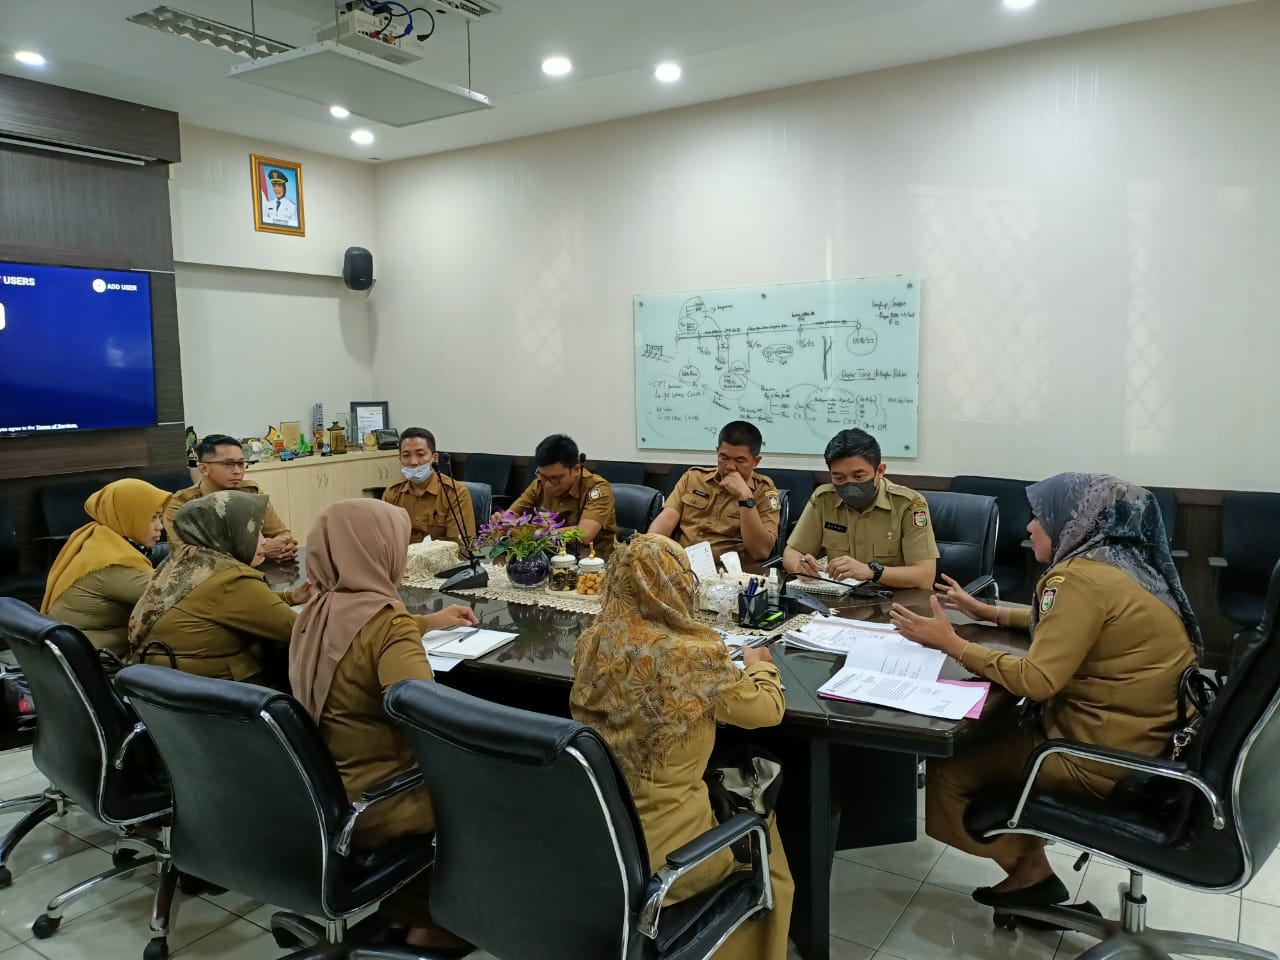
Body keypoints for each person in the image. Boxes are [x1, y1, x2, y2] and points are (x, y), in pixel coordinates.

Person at [889, 473, 1199, 912]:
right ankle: (1031, 873)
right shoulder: (1126, 567)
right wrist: (989, 613)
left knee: (952, 769)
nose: (1030, 527)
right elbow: (1071, 625)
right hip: (1152, 745)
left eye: (1040, 517)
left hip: (1097, 757)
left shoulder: (1076, 579)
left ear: (1075, 521)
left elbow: (1037, 680)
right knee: (997, 731)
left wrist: (950, 643)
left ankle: (1030, 873)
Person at [569, 534, 794, 960]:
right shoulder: (693, 656)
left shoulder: (593, 643)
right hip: (670, 855)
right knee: (764, 835)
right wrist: (761, 669)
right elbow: (767, 711)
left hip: (596, 841)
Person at [289, 499, 477, 952]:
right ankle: (426, 921)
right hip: (377, 801)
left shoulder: (314, 610)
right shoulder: (388, 624)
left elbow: (359, 636)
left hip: (315, 790)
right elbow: (427, 716)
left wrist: (424, 623)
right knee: (480, 784)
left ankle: (400, 903)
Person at [129, 491, 315, 683]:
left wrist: (290, 597)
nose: (264, 540)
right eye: (254, 531)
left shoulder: (189, 559)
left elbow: (234, 604)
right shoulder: (230, 578)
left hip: (156, 680)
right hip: (205, 689)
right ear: (228, 531)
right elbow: (302, 631)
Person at [783, 428, 938, 590]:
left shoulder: (908, 504)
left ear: (880, 471)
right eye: (839, 478)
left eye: (858, 476)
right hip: (840, 598)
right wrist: (801, 567)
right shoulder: (824, 499)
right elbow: (791, 552)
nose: (849, 486)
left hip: (895, 599)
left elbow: (925, 577)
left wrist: (871, 572)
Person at [41, 478, 170, 657]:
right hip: (97, 660)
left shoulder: (98, 538)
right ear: (128, 516)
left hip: (76, 651)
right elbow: (173, 596)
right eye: (152, 518)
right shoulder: (113, 561)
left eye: (160, 517)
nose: (160, 527)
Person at [647, 420, 781, 562]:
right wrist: (647, 550)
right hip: (682, 565)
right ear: (717, 452)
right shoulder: (693, 478)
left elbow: (761, 551)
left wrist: (745, 496)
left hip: (729, 571)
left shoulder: (765, 491)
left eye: (740, 461)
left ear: (756, 461)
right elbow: (663, 525)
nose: (730, 467)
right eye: (724, 457)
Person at [165, 434, 297, 561]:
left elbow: (281, 534)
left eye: (241, 463)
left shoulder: (251, 493)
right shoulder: (180, 503)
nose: (237, 471)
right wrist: (260, 550)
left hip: (255, 570)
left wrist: (284, 546)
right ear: (204, 469)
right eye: (228, 463)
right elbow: (187, 554)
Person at [505, 434, 617, 557]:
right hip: (551, 554)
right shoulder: (539, 484)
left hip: (591, 559)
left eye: (555, 478)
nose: (548, 484)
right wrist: (503, 522)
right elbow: (511, 515)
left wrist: (541, 533)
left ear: (576, 470)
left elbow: (585, 533)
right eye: (542, 476)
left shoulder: (597, 489)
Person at [381, 427, 475, 548]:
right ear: (400, 460)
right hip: (401, 559)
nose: (413, 462)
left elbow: (460, 546)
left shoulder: (455, 493)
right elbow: (384, 539)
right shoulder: (392, 493)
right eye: (406, 455)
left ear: (434, 458)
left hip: (443, 559)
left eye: (420, 454)